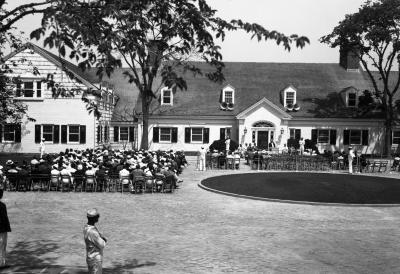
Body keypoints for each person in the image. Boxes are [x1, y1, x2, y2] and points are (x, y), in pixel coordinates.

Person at [83, 208, 106, 274]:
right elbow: (101, 245)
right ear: (94, 218)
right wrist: (104, 240)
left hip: (90, 257)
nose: (98, 218)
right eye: (97, 216)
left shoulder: (86, 227)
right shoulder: (93, 232)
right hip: (95, 259)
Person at [0, 188, 11, 268]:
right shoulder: (2, 205)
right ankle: (2, 263)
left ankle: (3, 263)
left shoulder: (3, 205)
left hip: (3, 228)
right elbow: (5, 218)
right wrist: (7, 228)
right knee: (3, 246)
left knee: (2, 246)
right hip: (2, 229)